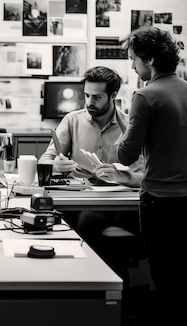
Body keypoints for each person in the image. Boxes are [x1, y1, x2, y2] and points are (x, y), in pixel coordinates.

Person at [119, 27, 187, 326]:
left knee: (161, 272)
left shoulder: (145, 96)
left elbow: (125, 156)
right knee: (178, 269)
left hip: (158, 198)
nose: (132, 66)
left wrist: (126, 132)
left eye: (134, 59)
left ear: (151, 59)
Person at [38, 66, 144, 273]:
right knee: (89, 222)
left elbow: (143, 177)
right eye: (86, 95)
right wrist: (57, 166)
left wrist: (120, 175)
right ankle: (94, 284)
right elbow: (45, 160)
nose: (89, 102)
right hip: (84, 200)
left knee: (139, 228)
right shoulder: (72, 120)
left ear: (113, 96)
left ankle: (114, 291)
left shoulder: (129, 126)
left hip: (120, 203)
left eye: (97, 97)